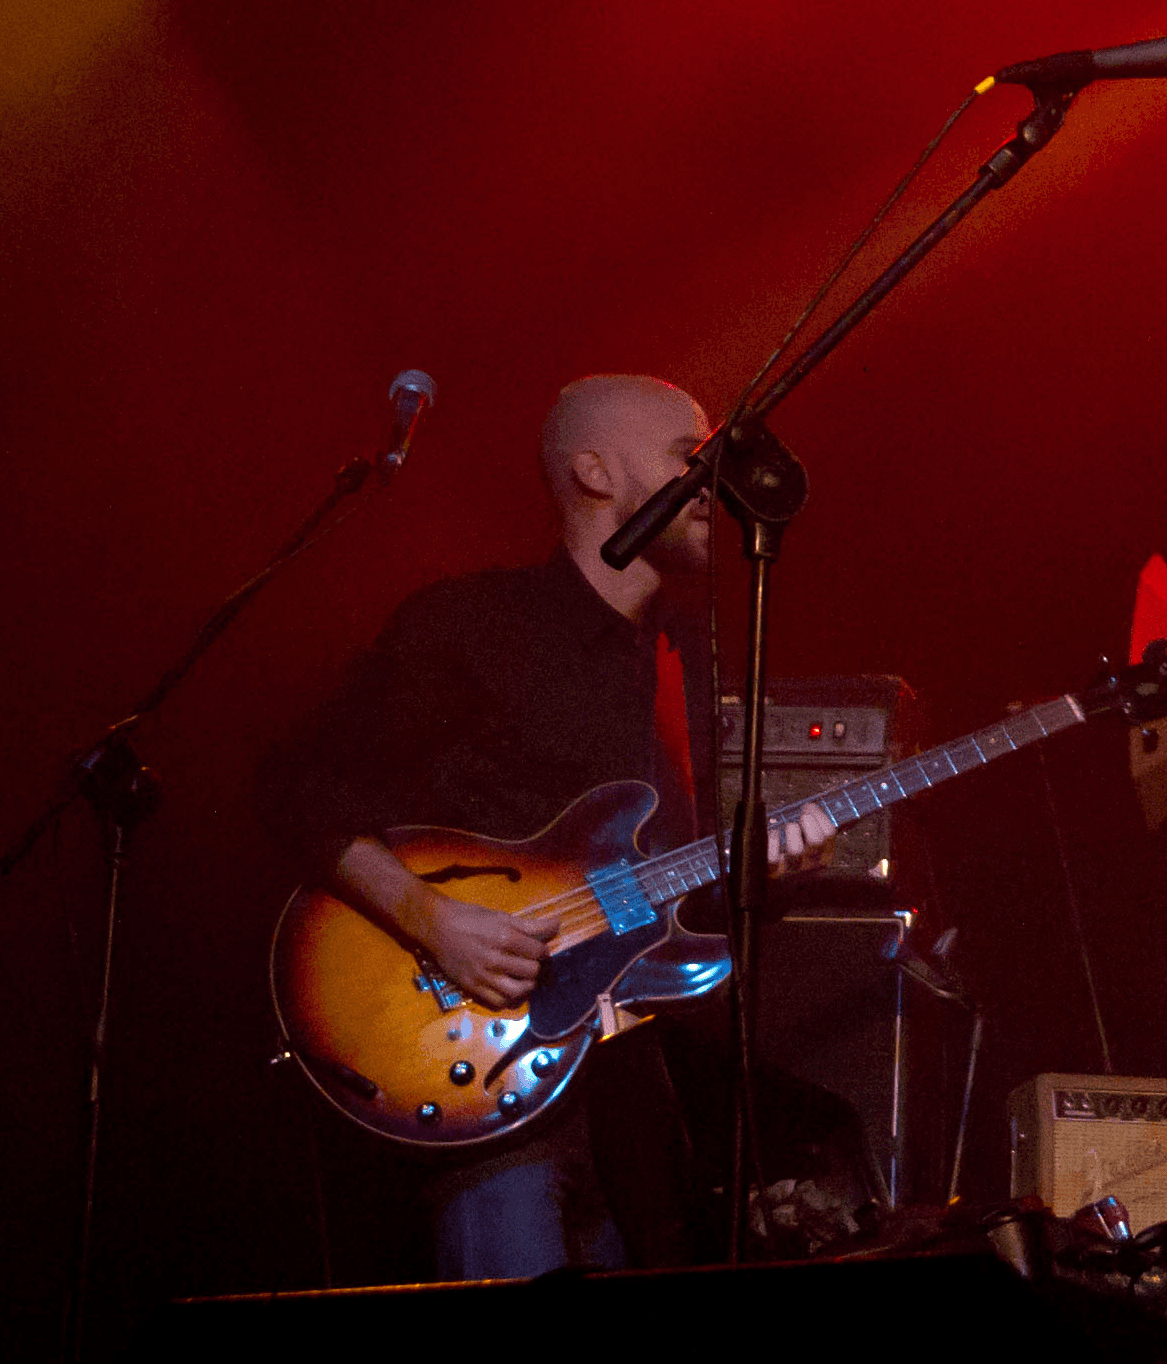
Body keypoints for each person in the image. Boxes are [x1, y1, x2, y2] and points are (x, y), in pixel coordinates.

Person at [263, 374, 830, 1280]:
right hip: (487, 1080)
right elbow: (296, 784)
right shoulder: (472, 625)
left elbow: (667, 899)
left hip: (633, 1104)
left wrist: (775, 864)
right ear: (593, 469)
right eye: (690, 455)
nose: (714, 483)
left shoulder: (684, 659)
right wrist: (430, 919)